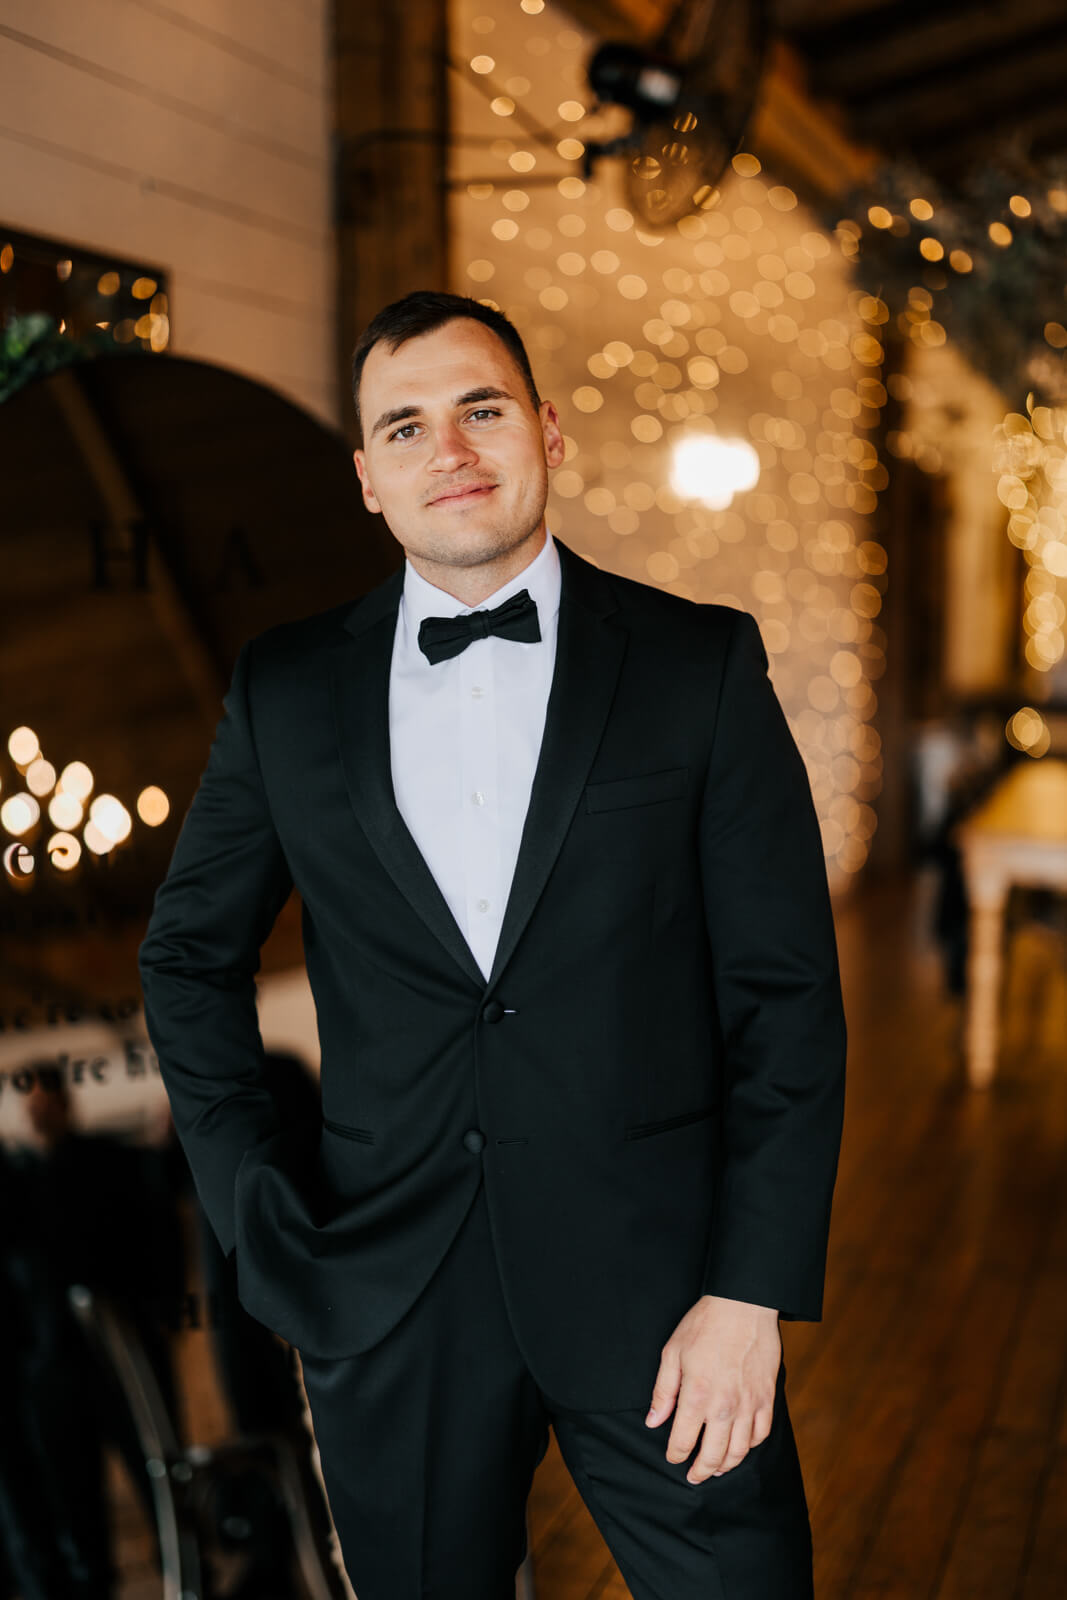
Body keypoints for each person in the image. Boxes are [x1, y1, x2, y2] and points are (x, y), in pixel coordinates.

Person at [138, 289, 847, 1599]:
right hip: (389, 1299)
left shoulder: (698, 664)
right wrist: (251, 1205)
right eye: (404, 427)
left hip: (669, 1297)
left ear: (547, 431)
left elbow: (786, 998)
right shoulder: (284, 690)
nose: (448, 448)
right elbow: (186, 956)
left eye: (480, 409)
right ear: (366, 478)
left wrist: (751, 1295)